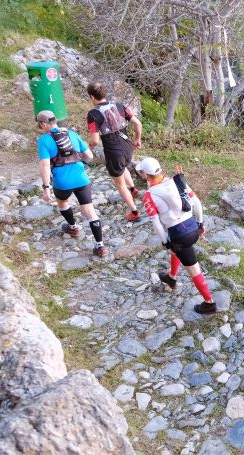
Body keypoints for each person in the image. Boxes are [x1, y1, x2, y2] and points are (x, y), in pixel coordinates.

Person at [136, 157, 216, 315]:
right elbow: (197, 203)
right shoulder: (178, 181)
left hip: (179, 235)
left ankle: (209, 303)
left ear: (145, 174)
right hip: (192, 226)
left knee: (194, 269)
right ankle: (171, 277)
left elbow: (157, 224)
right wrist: (200, 224)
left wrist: (166, 243)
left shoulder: (149, 196)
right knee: (176, 250)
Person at [36, 110, 106, 257]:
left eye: (39, 125)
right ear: (55, 121)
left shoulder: (43, 140)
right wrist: (80, 163)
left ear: (43, 124)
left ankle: (73, 227)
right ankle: (100, 245)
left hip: (62, 182)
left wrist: (46, 188)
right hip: (81, 179)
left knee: (62, 202)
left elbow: (45, 165)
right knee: (89, 210)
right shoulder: (72, 134)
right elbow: (89, 156)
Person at [86, 81, 143, 222]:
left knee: (119, 184)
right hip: (128, 146)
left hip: (113, 151)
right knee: (122, 167)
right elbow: (138, 123)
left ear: (92, 97)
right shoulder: (119, 105)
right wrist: (137, 139)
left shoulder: (93, 114)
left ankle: (135, 213)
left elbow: (95, 141)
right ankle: (134, 190)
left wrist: (88, 148)